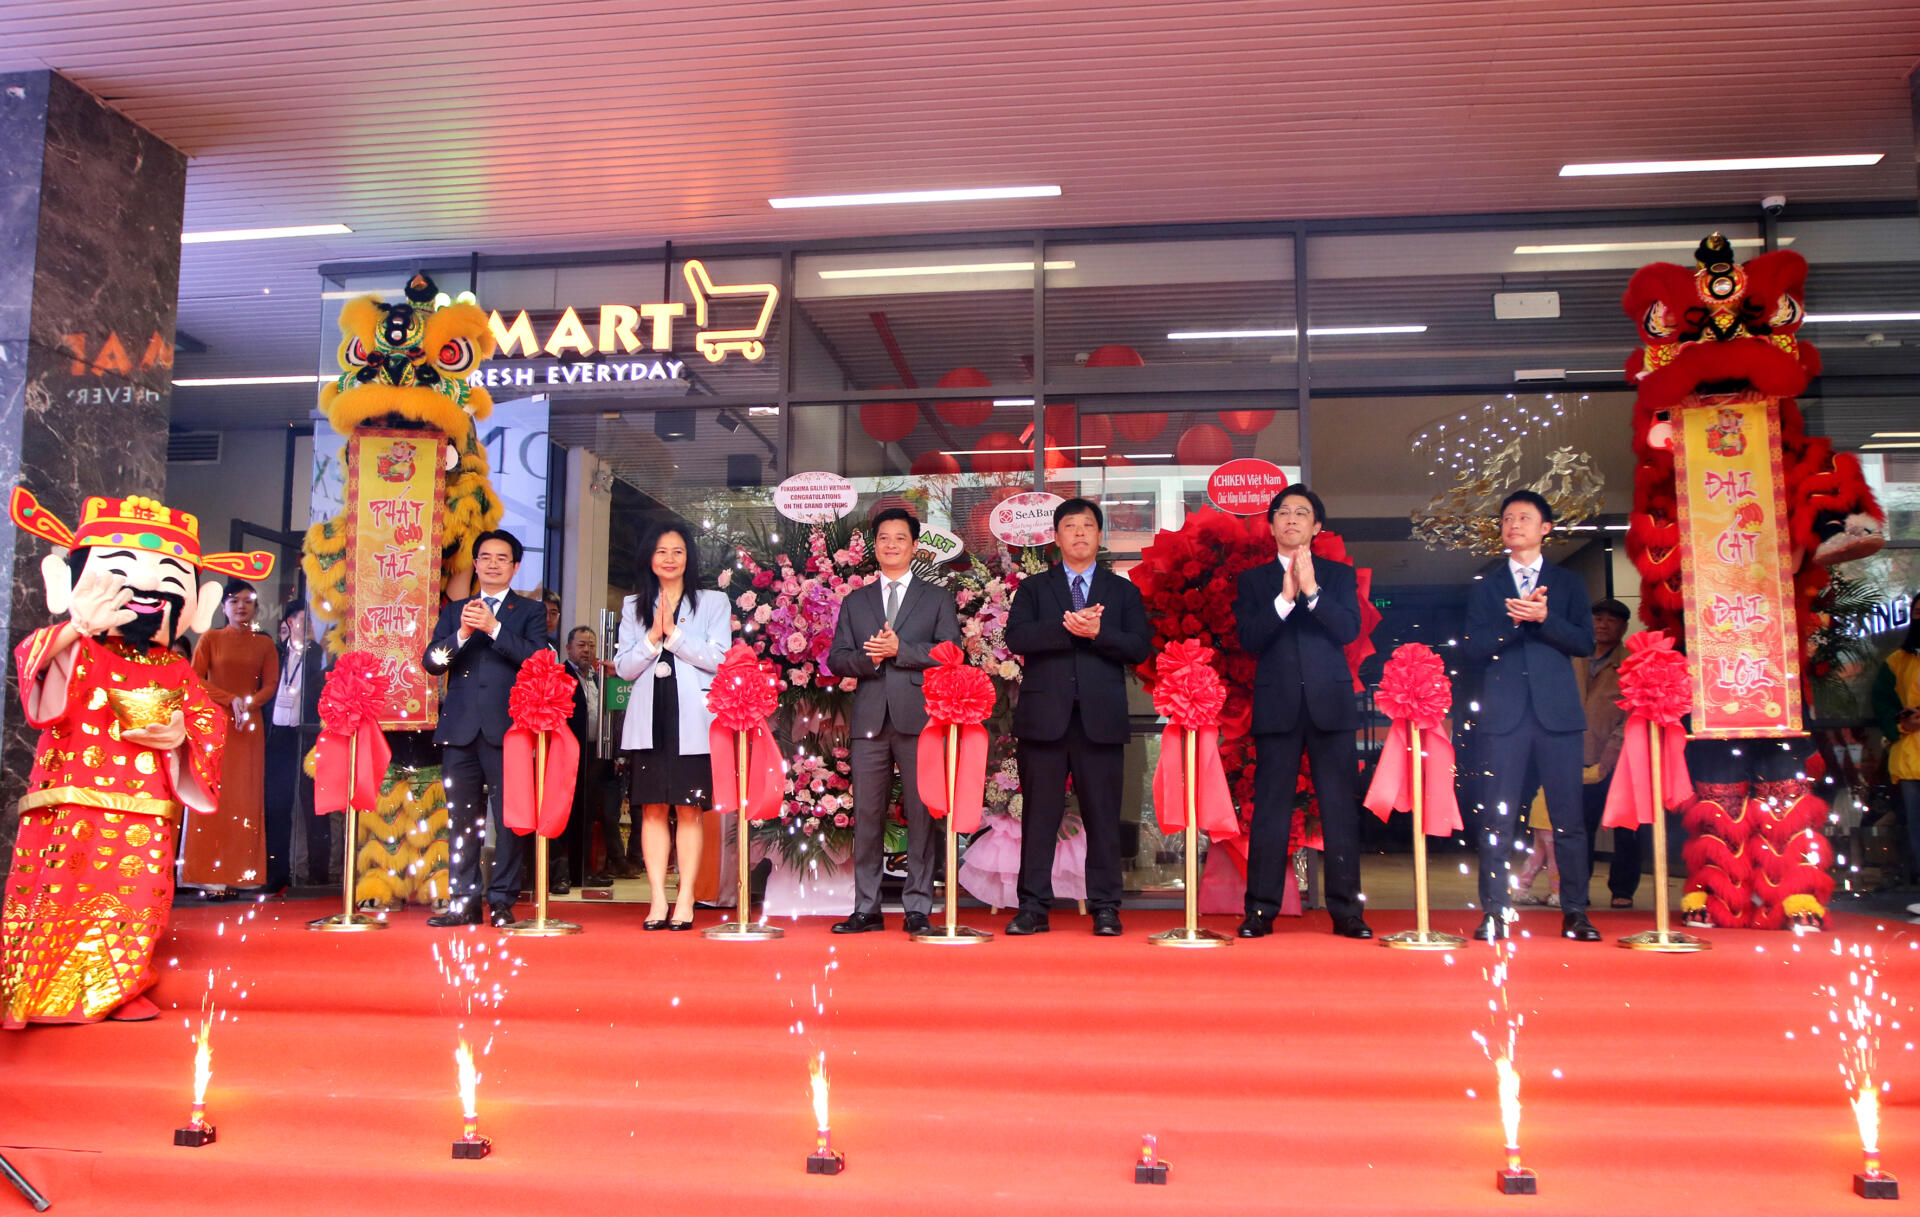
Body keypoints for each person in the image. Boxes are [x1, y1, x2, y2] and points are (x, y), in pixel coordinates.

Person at [1004, 498, 1151, 937]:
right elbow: (1017, 637)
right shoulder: (1034, 589)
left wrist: (1100, 632)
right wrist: (1070, 627)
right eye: (1070, 526)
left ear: (1099, 535)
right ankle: (1032, 907)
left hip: (1100, 720)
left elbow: (1138, 647)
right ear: (1056, 537)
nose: (1080, 533)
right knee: (1039, 817)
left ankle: (1105, 907)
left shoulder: (1122, 591)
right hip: (1044, 720)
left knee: (1103, 817)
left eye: (1088, 525)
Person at [1232, 486, 1372, 940]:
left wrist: (1311, 591)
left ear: (1317, 527)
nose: (1291, 519)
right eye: (1283, 512)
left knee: (1339, 811)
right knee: (1270, 811)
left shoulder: (1338, 576)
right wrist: (1284, 599)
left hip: (1331, 706)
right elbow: (1249, 638)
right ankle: (1260, 910)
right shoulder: (1253, 581)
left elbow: (1348, 630)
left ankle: (1347, 912)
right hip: (1278, 707)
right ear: (1271, 525)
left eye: (1302, 513)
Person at [1462, 490, 1601, 942]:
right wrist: (1515, 622)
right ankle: (1494, 912)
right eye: (1507, 518)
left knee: (1568, 820)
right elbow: (1473, 648)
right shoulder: (1487, 585)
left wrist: (1544, 618)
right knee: (1497, 819)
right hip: (1504, 715)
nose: (1514, 524)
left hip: (1558, 715)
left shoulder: (1568, 584)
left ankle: (1576, 912)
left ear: (1545, 528)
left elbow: (1584, 642)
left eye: (1524, 517)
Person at [827, 507, 962, 935]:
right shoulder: (856, 600)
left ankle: (917, 906)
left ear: (914, 546)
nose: (891, 545)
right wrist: (871, 658)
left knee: (921, 814)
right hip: (869, 719)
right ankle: (866, 908)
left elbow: (950, 652)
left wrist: (900, 650)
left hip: (920, 719)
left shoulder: (936, 597)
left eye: (900, 538)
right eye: (884, 538)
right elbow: (836, 659)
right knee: (867, 814)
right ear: (875, 546)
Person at [422, 530, 549, 927]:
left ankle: (502, 901)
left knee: (509, 819)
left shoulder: (529, 612)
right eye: (486, 558)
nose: (493, 564)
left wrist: (494, 628)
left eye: (502, 558)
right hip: (459, 731)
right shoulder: (455, 611)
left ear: (515, 566)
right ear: (475, 564)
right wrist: (461, 635)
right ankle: (463, 900)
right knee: (461, 819)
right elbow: (432, 662)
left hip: (508, 730)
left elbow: (537, 659)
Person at [614, 520, 730, 931]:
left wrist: (674, 635)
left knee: (689, 808)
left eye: (677, 551)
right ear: (650, 557)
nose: (669, 558)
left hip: (692, 717)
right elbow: (624, 667)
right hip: (650, 716)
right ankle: (657, 900)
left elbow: (720, 659)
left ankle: (685, 899)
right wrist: (651, 638)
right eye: (661, 551)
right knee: (651, 809)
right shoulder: (633, 605)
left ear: (689, 557)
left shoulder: (713, 602)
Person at [183, 581, 279, 896]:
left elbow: (270, 685)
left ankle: (243, 872)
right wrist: (230, 699)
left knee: (245, 795)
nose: (241, 607)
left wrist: (247, 703)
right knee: (214, 793)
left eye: (248, 602)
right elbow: (195, 679)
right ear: (223, 607)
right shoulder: (210, 639)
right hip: (216, 723)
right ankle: (208, 872)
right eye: (234, 601)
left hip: (248, 726)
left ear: (256, 608)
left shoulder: (264, 645)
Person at [264, 598, 332, 892]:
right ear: (289, 622)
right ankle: (276, 872)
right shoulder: (274, 652)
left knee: (314, 805)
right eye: (303, 620)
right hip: (278, 736)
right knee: (277, 804)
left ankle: (319, 873)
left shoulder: (318, 654)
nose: (308, 626)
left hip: (308, 734)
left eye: (311, 622)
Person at [557, 625, 629, 890]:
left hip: (598, 754)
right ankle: (565, 873)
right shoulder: (561, 675)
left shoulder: (599, 678)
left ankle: (585, 870)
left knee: (590, 814)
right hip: (571, 754)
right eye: (581, 645)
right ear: (568, 648)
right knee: (571, 814)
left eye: (591, 645)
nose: (586, 650)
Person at [1579, 599, 1634, 907]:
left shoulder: (1631, 663)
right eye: (1598, 618)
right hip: (1578, 754)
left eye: (1611, 620)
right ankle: (1577, 888)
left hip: (1620, 759)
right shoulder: (1574, 657)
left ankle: (1622, 890)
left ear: (1623, 627)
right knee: (1579, 826)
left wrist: (1612, 752)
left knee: (1625, 827)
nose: (1603, 624)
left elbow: (1631, 714)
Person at [1872, 597, 1920, 912]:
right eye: (1918, 612)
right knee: (1917, 830)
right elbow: (1882, 704)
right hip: (1911, 760)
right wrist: (1903, 723)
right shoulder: (1896, 661)